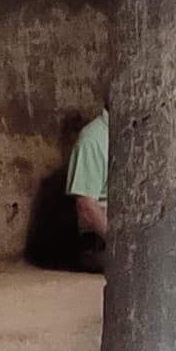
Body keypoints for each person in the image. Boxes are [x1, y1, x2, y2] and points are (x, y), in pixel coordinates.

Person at [62, 108, 110, 272]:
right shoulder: (93, 139)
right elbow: (86, 206)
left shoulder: (128, 133)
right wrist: (120, 241)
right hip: (100, 241)